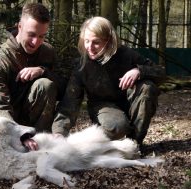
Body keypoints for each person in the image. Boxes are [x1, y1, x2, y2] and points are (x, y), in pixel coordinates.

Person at [52, 16, 166, 146]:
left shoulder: (126, 54)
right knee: (118, 127)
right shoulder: (81, 65)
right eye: (87, 41)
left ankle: (135, 144)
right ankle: (96, 140)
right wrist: (59, 132)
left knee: (147, 87)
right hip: (102, 107)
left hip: (131, 103)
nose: (90, 47)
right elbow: (70, 102)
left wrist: (139, 71)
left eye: (96, 42)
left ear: (109, 41)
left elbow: (161, 73)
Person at [0, 3, 62, 150]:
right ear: (19, 27)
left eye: (42, 36)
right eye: (31, 34)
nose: (36, 42)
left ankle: (40, 141)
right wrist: (21, 135)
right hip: (5, 121)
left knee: (45, 84)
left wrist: (42, 71)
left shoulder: (48, 52)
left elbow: (64, 90)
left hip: (35, 124)